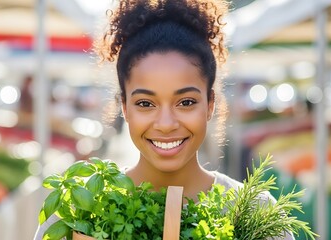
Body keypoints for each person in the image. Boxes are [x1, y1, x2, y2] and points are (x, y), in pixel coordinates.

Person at [34, 0, 294, 239]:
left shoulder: (258, 212)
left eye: (186, 102)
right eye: (145, 104)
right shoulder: (77, 211)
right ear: (124, 108)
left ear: (210, 105)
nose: (166, 123)